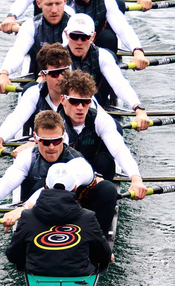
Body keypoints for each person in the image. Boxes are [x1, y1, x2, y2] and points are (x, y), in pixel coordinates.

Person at [0, 111, 119, 235]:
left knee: (108, 189)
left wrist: (24, 208)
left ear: (64, 136)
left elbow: (53, 188)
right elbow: (7, 182)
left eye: (57, 141)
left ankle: (98, 240)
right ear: (35, 138)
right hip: (42, 214)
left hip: (76, 213)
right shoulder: (27, 157)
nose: (51, 147)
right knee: (38, 183)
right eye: (45, 142)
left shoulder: (78, 162)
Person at [0, 43, 95, 158]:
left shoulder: (81, 96)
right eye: (54, 74)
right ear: (43, 75)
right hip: (48, 147)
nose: (60, 78)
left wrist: (33, 145)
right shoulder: (34, 93)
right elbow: (17, 118)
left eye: (64, 72)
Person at [5, 162, 113, 277]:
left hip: (36, 273)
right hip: (79, 274)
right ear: (75, 188)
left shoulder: (27, 216)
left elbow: (13, 256)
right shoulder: (88, 217)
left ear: (46, 186)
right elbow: (103, 256)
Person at [58, 70, 147, 199]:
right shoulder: (56, 123)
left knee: (105, 161)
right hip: (65, 175)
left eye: (85, 102)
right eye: (74, 101)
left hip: (96, 176)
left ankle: (102, 198)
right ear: (63, 100)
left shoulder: (100, 119)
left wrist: (136, 178)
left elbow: (119, 150)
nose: (80, 107)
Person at [64, 13, 150, 130]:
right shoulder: (58, 57)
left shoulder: (103, 55)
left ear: (93, 37)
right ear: (66, 34)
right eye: (74, 36)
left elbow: (119, 83)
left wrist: (138, 108)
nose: (79, 42)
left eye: (84, 37)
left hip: (92, 103)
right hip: (66, 107)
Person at [0, 0, 73, 93]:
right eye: (49, 4)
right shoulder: (31, 25)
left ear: (65, 1)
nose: (54, 10)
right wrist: (4, 73)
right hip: (41, 76)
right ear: (39, 4)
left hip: (70, 77)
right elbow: (18, 51)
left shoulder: (74, 24)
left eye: (58, 3)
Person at [68, 0, 148, 70]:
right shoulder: (65, 3)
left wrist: (137, 51)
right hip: (70, 49)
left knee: (109, 38)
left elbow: (122, 28)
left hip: (95, 45)